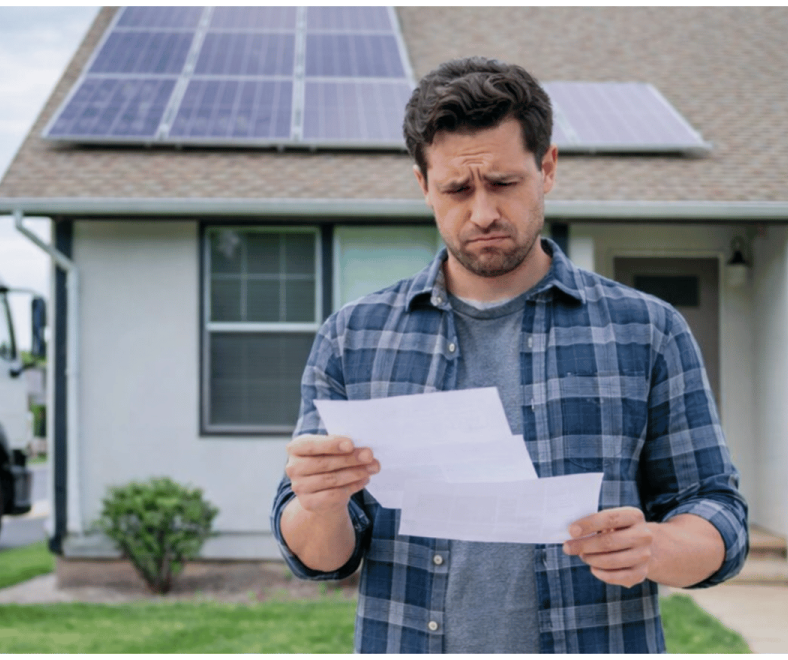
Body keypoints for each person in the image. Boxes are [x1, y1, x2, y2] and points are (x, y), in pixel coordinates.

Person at [270, 56, 748, 654]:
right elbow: (320, 557)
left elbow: (717, 512)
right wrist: (321, 503)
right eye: (456, 189)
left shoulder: (646, 329)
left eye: (503, 183)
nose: (484, 213)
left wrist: (656, 546)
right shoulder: (353, 337)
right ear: (423, 186)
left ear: (546, 168)